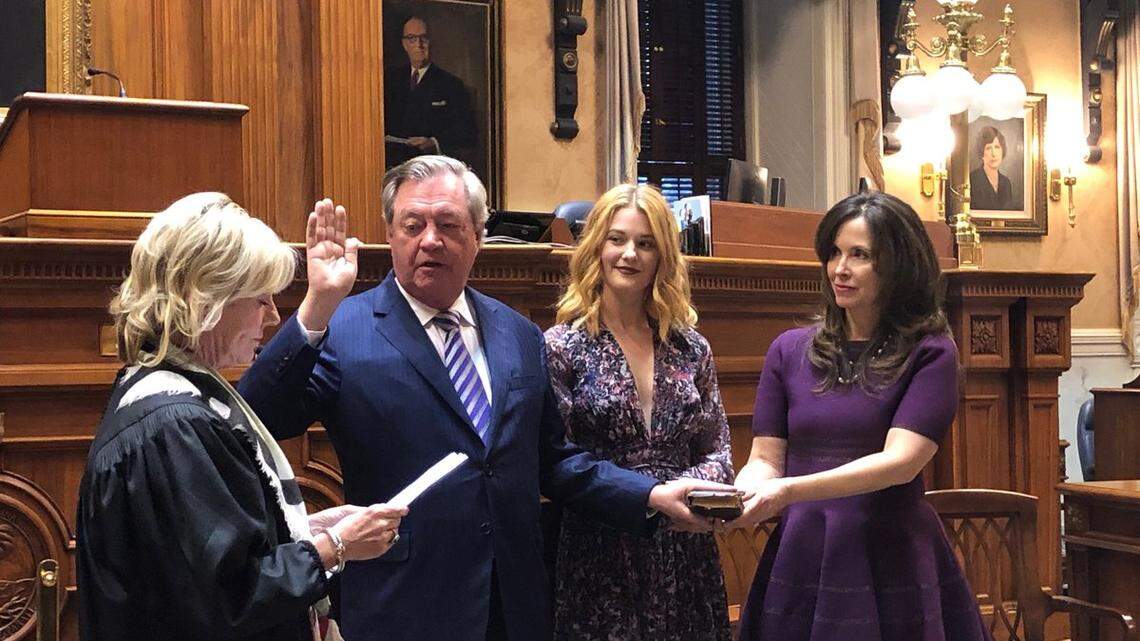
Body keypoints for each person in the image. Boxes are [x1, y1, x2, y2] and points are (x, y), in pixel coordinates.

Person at [237, 155, 729, 641]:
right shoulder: (344, 329)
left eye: (449, 224)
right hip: (404, 602)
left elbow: (554, 462)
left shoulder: (517, 333)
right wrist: (317, 305)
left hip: (512, 602)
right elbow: (257, 419)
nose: (431, 240)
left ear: (477, 236)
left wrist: (648, 495)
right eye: (413, 225)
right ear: (390, 234)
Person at [76, 193, 407, 641]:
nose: (272, 316)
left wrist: (298, 530)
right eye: (260, 298)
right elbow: (229, 596)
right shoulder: (176, 425)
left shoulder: (160, 394)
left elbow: (193, 554)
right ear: (208, 299)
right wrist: (336, 547)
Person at [731, 191, 990, 641]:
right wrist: (747, 487)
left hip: (890, 552)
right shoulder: (788, 350)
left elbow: (901, 463)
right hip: (804, 547)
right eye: (834, 252)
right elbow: (765, 457)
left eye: (859, 255)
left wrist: (789, 490)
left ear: (897, 266)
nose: (840, 269)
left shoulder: (931, 352)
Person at [545, 184, 734, 641]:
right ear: (596, 248)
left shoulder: (691, 346)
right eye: (617, 239)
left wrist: (687, 495)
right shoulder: (562, 346)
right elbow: (556, 461)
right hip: (600, 551)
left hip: (685, 549)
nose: (629, 254)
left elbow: (719, 449)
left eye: (645, 243)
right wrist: (646, 496)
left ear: (663, 256)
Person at [383, 16, 478, 168]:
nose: (419, 45)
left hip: (432, 168)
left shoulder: (451, 84)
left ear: (431, 42)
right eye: (412, 38)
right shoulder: (389, 79)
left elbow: (468, 133)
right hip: (392, 166)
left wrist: (434, 143)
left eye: (424, 38)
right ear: (404, 44)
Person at [969, 126, 1015, 210]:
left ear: (1002, 150)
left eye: (997, 147)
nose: (994, 154)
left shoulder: (1006, 183)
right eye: (988, 148)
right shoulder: (972, 180)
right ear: (982, 152)